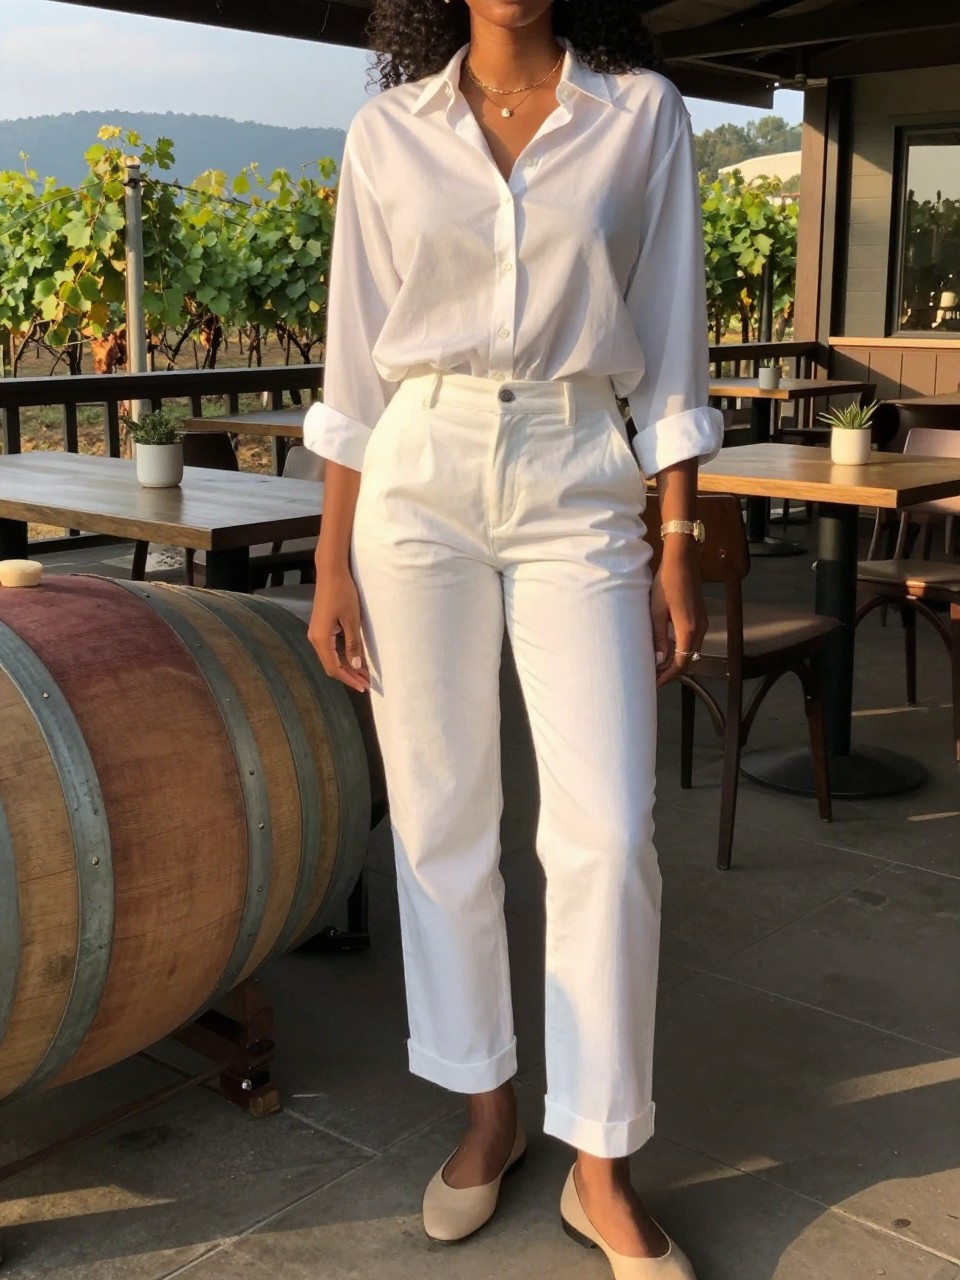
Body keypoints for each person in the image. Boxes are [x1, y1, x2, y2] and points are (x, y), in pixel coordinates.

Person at [305, 2, 722, 1276]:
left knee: (605, 828)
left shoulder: (639, 114)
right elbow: (356, 360)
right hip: (416, 472)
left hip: (575, 467)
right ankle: (487, 1108)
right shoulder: (387, 133)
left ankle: (600, 1157)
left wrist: (680, 536)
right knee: (441, 818)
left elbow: (670, 336)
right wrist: (332, 553)